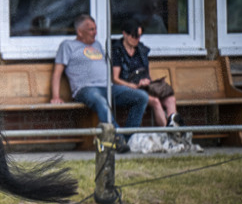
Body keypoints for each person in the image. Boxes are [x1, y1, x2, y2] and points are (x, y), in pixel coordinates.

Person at [50, 14, 150, 152]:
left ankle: (127, 140)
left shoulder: (97, 45)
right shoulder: (67, 46)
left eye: (95, 28)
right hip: (86, 89)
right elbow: (57, 72)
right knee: (100, 101)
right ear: (79, 32)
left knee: (141, 97)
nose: (95, 32)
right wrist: (55, 96)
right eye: (91, 29)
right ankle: (116, 137)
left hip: (108, 87)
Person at [111, 17, 181, 127]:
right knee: (156, 102)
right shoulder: (117, 51)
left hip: (146, 86)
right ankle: (167, 133)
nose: (137, 39)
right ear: (124, 34)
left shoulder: (141, 50)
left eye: (139, 36)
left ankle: (175, 129)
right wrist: (133, 85)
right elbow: (115, 79)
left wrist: (149, 82)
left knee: (170, 99)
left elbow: (147, 72)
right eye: (134, 36)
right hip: (129, 88)